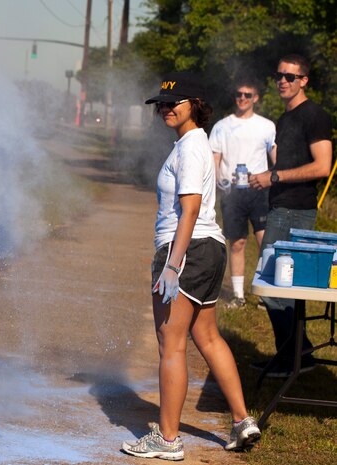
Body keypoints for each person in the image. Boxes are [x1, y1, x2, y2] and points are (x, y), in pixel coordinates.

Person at [121, 72, 260, 461]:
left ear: (194, 104)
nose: (166, 108)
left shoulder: (191, 146)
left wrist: (171, 264)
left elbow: (191, 208)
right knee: (208, 337)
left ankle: (167, 440)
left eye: (174, 103)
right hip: (208, 250)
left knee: (171, 344)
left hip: (187, 250)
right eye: (162, 104)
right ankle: (242, 420)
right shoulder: (191, 143)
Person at [248, 54, 332, 377]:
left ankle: (296, 356)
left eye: (291, 77)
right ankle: (296, 354)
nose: (283, 81)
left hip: (296, 211)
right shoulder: (284, 120)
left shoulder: (316, 116)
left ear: (304, 80)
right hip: (279, 206)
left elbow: (322, 167)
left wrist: (275, 177)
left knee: (274, 287)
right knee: (277, 288)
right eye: (279, 75)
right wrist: (268, 177)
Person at [209, 78, 276, 308]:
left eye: (248, 95)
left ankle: (265, 294)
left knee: (265, 242)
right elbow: (215, 158)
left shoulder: (267, 126)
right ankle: (238, 295)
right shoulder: (222, 126)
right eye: (239, 94)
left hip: (259, 189)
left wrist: (275, 180)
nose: (243, 98)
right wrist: (218, 183)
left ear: (255, 98)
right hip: (232, 191)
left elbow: (276, 159)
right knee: (236, 242)